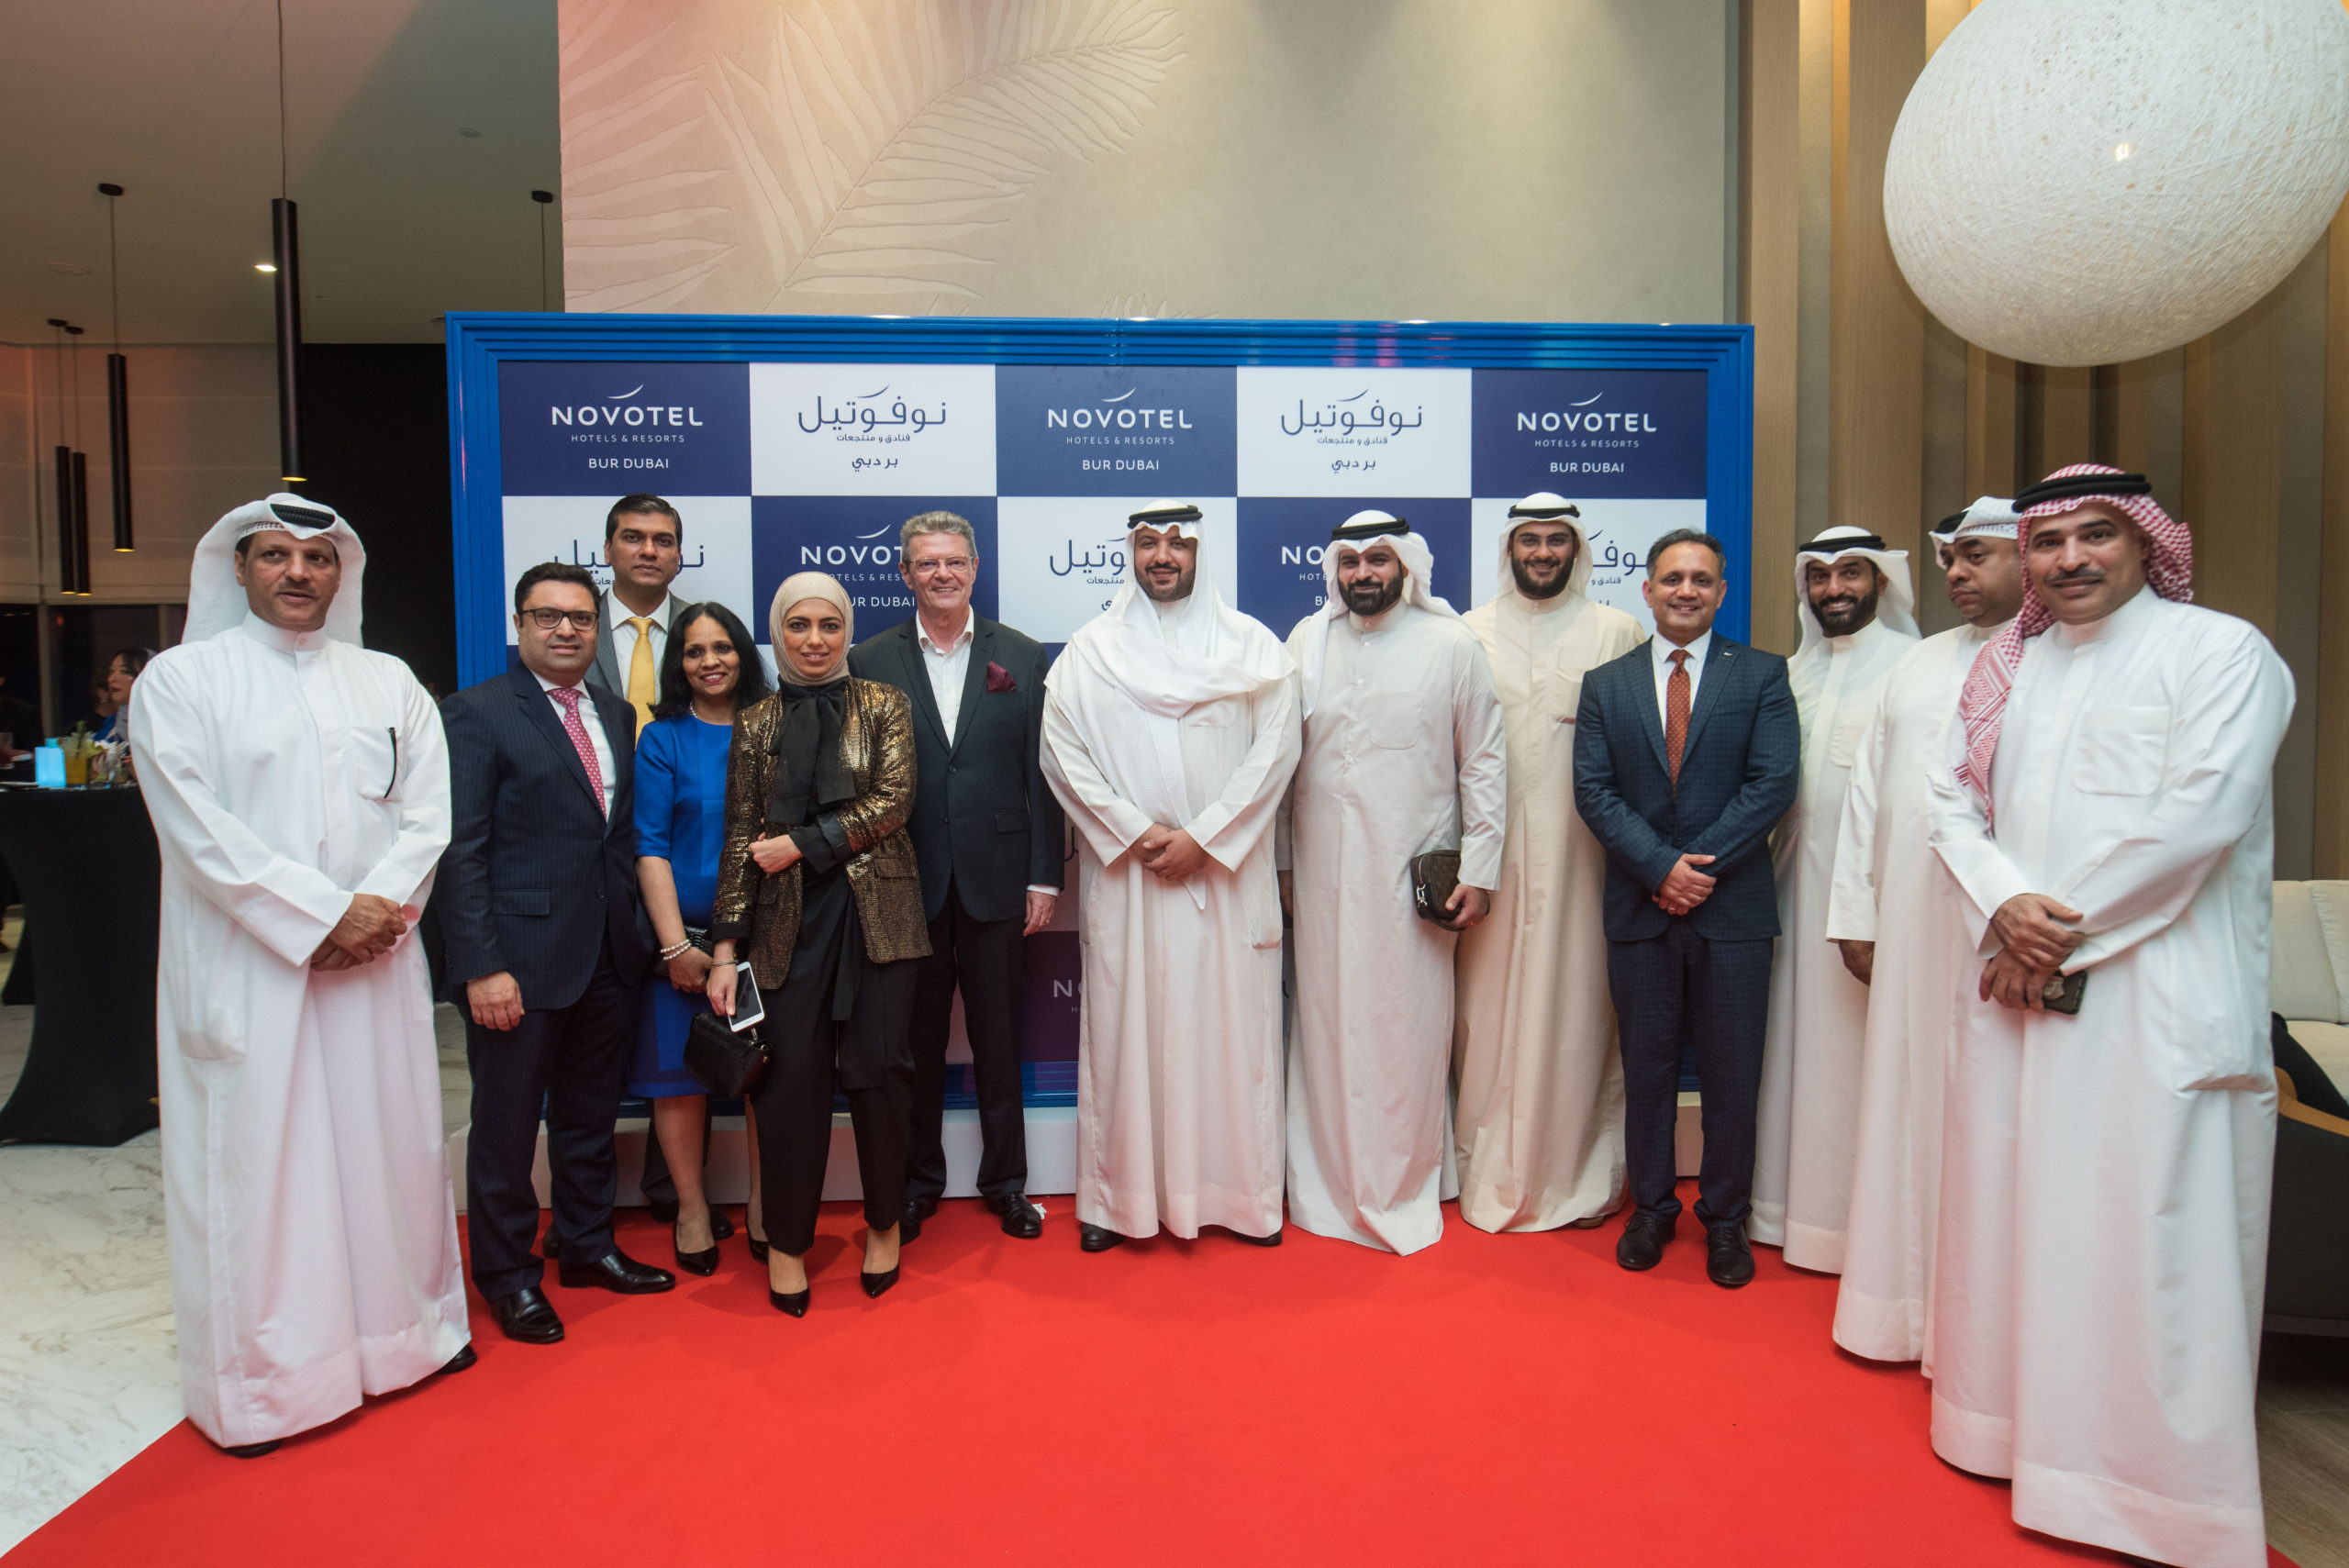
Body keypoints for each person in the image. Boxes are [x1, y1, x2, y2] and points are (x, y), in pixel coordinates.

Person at [1925, 464, 2290, 1568]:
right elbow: (1949, 800)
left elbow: (2202, 816)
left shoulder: (2220, 652)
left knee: (2139, 1230)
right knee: (2015, 1210)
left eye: (2096, 536)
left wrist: (2049, 933)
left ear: (2144, 544)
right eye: (2048, 541)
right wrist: (2004, 906)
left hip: (2149, 994)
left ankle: (2149, 1490)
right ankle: (2001, 1429)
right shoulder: (2008, 664)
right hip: (2018, 984)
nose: (2069, 559)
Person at [128, 494, 470, 1457]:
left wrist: (373, 912)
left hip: (375, 960)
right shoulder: (182, 680)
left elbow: (427, 816)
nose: (297, 572)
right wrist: (320, 915)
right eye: (275, 555)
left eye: (317, 557)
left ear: (339, 573)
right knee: (265, 1174)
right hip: (251, 969)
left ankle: (406, 1340)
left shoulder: (387, 680)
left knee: (386, 1151)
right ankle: (271, 1388)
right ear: (237, 568)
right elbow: (195, 828)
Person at [1041, 502, 1301, 1251]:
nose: (1163, 556)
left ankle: (1241, 1200)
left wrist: (1205, 838)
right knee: (1125, 1041)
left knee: (1232, 1043)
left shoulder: (1253, 648)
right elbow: (1061, 753)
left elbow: (1276, 752)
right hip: (1131, 881)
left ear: (1199, 553)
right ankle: (1117, 1202)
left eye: (1178, 544)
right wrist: (1137, 831)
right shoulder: (1089, 652)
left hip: (1225, 882)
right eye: (1149, 543)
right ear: (1132, 552)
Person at [439, 561, 673, 1347]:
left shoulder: (614, 710)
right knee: (506, 1131)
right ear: (520, 625)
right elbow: (460, 851)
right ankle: (508, 1276)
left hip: (607, 956)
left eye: (580, 617)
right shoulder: (476, 713)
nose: (567, 629)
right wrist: (480, 964)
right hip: (518, 963)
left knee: (589, 1117)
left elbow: (616, 837)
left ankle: (585, 1243)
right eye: (549, 616)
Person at [1821, 497, 2022, 1363]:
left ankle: (1979, 1329)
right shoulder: (1919, 663)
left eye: (1978, 555)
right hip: (1908, 917)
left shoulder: (2056, 662)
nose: (1958, 574)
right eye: (1950, 559)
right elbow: (1867, 795)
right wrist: (1855, 913)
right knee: (1904, 1098)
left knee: (1989, 1116)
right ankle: (1894, 1306)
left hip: (2003, 937)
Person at [1572, 528, 1798, 1288]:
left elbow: (1772, 783)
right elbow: (1594, 791)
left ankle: (1726, 1220)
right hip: (1640, 910)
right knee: (1648, 1072)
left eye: (1702, 578)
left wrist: (1693, 868)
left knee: (1733, 1077)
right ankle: (1653, 1209)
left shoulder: (1762, 674)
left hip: (1733, 913)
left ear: (1722, 591)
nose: (1686, 590)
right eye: (1672, 578)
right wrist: (1659, 866)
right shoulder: (1605, 684)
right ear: (1648, 589)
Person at [1278, 510, 1505, 1254]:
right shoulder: (1307, 642)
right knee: (1326, 1021)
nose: (1363, 573)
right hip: (1319, 875)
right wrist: (1281, 863)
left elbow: (1485, 762)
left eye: (1378, 558)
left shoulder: (1451, 644)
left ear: (1406, 566)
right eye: (1350, 561)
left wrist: (1481, 868)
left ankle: (1403, 1179)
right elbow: (1278, 766)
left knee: (1404, 1027)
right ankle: (1327, 1180)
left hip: (1413, 879)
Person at [707, 573, 930, 1313]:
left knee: (881, 1076)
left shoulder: (884, 702)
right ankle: (788, 1243)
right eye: (798, 625)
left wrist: (802, 842)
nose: (814, 640)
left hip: (878, 917)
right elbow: (741, 834)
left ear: (847, 631)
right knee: (788, 1088)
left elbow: (894, 801)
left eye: (829, 625)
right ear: (778, 631)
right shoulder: (757, 721)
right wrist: (725, 947)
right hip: (785, 927)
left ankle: (884, 1226)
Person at [849, 511, 1064, 1240]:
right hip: (902, 882)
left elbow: (1043, 772)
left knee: (1000, 1041)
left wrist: (1044, 878)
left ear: (974, 568)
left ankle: (1007, 1184)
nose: (942, 573)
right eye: (926, 562)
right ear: (904, 573)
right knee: (912, 1044)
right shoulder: (868, 659)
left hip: (999, 880)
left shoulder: (1022, 654)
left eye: (954, 561)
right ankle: (917, 1185)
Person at [1453, 495, 1645, 1233]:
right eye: (1528, 540)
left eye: (1555, 540)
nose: (1541, 552)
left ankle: (1576, 1173)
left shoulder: (1616, 630)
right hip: (1489, 858)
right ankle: (1484, 1167)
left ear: (1576, 549)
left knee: (1579, 1009)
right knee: (1485, 1013)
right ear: (1510, 549)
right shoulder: (1469, 632)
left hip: (1586, 860)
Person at [1751, 525, 1919, 1272]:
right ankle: (1782, 1212)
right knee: (1789, 1052)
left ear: (1881, 580)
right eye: (1818, 576)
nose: (1834, 589)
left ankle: (1862, 1231)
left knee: (1858, 1059)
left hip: (1879, 900)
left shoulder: (1914, 667)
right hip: (1789, 890)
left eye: (1850, 572)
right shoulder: (1791, 673)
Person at [629, 602, 770, 1272]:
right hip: (681, 944)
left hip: (764, 941)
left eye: (723, 647)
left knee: (764, 1075)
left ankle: (765, 1204)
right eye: (694, 650)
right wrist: (675, 950)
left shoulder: (777, 727)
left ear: (743, 653)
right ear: (678, 663)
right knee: (678, 1081)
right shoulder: (663, 739)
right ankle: (690, 1207)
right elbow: (650, 847)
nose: (710, 661)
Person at [589, 494, 691, 736]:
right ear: (607, 550)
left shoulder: (701, 627)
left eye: (663, 541)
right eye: (632, 538)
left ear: (678, 556)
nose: (648, 551)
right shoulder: (576, 625)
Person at [93, 648, 151, 742]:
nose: (111, 679)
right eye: (111, 671)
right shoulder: (112, 721)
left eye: (124, 671)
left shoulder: (156, 724)